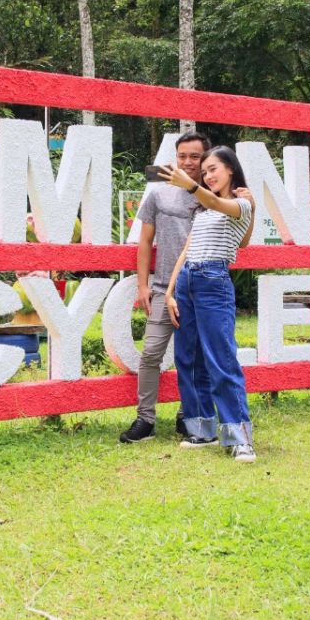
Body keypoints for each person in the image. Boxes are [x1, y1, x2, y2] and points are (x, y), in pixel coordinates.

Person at [117, 133, 253, 444]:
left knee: (211, 359)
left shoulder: (219, 199)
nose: (191, 164)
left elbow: (239, 237)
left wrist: (251, 206)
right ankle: (158, 421)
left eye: (199, 160)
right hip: (173, 286)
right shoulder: (170, 198)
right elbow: (159, 245)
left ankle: (216, 429)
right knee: (164, 356)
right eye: (183, 157)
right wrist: (152, 287)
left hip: (209, 284)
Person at [161, 146, 257, 464]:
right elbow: (186, 251)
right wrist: (171, 291)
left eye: (213, 169)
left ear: (231, 169)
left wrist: (189, 184)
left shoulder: (241, 203)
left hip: (214, 281)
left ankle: (239, 439)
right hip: (188, 281)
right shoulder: (202, 212)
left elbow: (221, 207)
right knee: (188, 358)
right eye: (205, 173)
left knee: (221, 361)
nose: (208, 175)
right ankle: (202, 430)